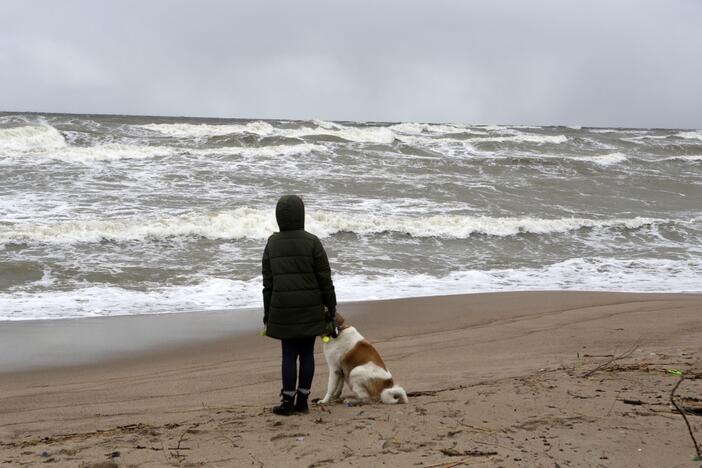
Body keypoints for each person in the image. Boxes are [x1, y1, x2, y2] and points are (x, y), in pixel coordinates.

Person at [262, 195, 337, 415]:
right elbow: (325, 279)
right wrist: (330, 308)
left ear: (278, 217)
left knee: (288, 354)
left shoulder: (272, 243)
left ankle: (287, 402)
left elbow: (268, 284)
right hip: (310, 307)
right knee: (306, 354)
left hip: (282, 308)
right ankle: (303, 401)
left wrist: (268, 312)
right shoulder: (312, 241)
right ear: (301, 215)